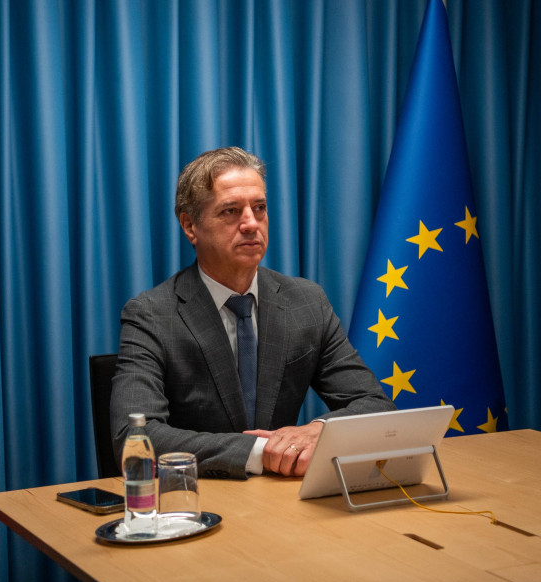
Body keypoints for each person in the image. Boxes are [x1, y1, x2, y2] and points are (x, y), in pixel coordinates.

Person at [109, 147, 395, 479]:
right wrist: (262, 451)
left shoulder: (306, 301)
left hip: (286, 501)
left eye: (259, 208)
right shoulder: (151, 315)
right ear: (190, 226)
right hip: (198, 501)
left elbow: (375, 405)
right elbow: (134, 437)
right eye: (231, 211)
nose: (250, 223)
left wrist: (318, 429)